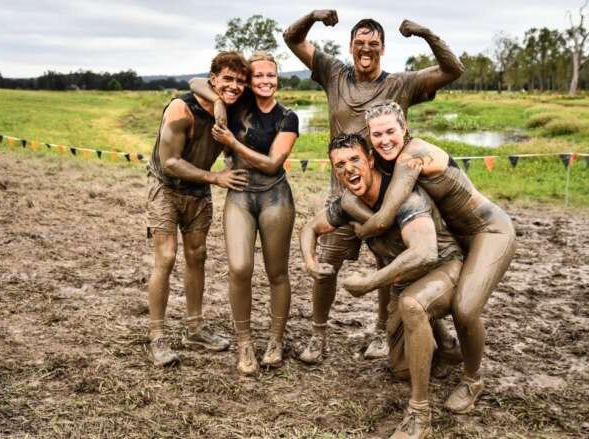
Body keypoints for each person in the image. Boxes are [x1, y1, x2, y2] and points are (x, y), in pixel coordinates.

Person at [284, 10, 465, 364]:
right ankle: (318, 335)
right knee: (327, 263)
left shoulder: (401, 84)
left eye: (373, 44)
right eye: (360, 43)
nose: (366, 49)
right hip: (343, 196)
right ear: (350, 46)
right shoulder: (333, 73)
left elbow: (453, 70)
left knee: (391, 262)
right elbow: (292, 38)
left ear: (383, 48)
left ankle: (382, 333)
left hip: (389, 194)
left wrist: (425, 31)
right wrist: (314, 16)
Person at [353, 101, 516, 413]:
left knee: (465, 308)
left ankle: (473, 380)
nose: (384, 139)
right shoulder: (389, 162)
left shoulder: (412, 155)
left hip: (490, 231)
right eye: (376, 135)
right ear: (369, 137)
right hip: (456, 239)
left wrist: (359, 230)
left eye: (390, 131)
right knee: (423, 283)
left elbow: (386, 216)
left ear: (405, 129)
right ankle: (449, 349)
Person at [301, 133, 463, 439]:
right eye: (340, 165)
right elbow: (310, 227)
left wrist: (369, 283)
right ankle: (446, 348)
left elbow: (424, 252)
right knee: (402, 368)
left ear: (371, 160)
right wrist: (310, 263)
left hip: (445, 269)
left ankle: (419, 414)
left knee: (412, 306)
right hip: (406, 283)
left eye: (354, 160)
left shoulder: (403, 198)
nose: (348, 169)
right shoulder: (348, 202)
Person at [188, 52, 299, 375]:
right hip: (239, 195)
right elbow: (195, 82)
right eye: (258, 76)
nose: (265, 81)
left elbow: (271, 163)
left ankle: (275, 340)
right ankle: (245, 342)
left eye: (271, 76)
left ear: (278, 79)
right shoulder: (238, 104)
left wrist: (232, 143)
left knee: (277, 272)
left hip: (275, 196)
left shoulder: (287, 117)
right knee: (239, 268)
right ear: (250, 80)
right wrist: (220, 104)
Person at [145, 52, 251, 367]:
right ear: (213, 80)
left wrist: (221, 106)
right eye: (227, 80)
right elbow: (171, 162)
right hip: (166, 187)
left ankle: (195, 328)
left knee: (198, 255)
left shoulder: (232, 111)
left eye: (239, 81)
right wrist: (216, 177)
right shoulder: (182, 110)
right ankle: (156, 337)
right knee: (165, 257)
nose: (234, 87)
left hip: (198, 191)